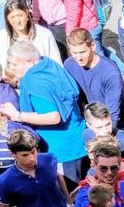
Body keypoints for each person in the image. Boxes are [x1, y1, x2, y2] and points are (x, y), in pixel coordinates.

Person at [2, 42, 88, 181]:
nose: (11, 67)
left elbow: (53, 117)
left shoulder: (34, 81)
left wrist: (16, 115)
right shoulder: (48, 64)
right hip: (79, 141)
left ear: (29, 63)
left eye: (14, 64)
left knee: (71, 195)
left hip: (63, 150)